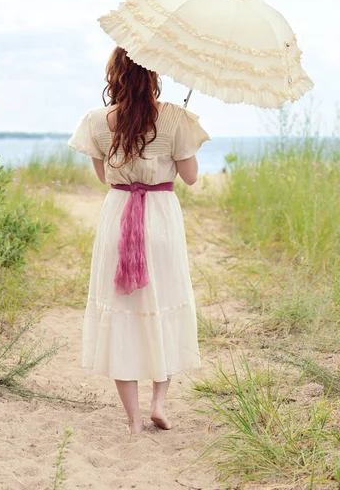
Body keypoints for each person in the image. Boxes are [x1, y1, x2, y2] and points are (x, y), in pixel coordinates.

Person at [68, 47, 210, 435]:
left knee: (121, 314)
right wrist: (179, 138)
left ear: (114, 75)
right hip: (160, 217)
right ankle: (159, 403)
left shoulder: (96, 121)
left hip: (118, 214)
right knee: (164, 304)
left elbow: (103, 178)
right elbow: (191, 176)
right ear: (154, 75)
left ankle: (132, 421)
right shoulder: (176, 118)